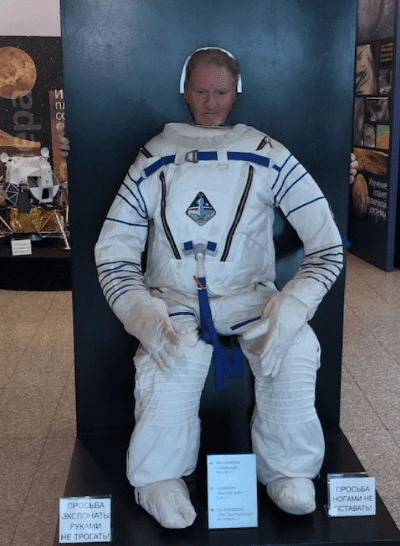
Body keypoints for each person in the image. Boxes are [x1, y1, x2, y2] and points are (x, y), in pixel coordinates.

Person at [60, 48, 355, 529]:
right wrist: (140, 312)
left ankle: (289, 472)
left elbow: (327, 244)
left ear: (236, 93)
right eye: (200, 90)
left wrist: (294, 306)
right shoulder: (155, 156)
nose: (211, 102)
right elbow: (114, 251)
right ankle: (158, 479)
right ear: (185, 91)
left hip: (250, 297)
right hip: (174, 299)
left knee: (295, 348)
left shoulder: (267, 154)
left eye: (221, 91)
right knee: (169, 358)